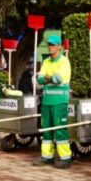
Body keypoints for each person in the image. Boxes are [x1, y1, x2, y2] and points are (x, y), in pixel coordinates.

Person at [34, 34, 73, 168]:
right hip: (47, 101)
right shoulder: (46, 61)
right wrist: (48, 78)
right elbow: (39, 79)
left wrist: (47, 78)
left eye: (52, 44)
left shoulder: (64, 61)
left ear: (59, 47)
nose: (50, 47)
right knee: (47, 129)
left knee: (60, 129)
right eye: (49, 44)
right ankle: (47, 156)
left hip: (59, 102)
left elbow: (58, 79)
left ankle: (65, 158)